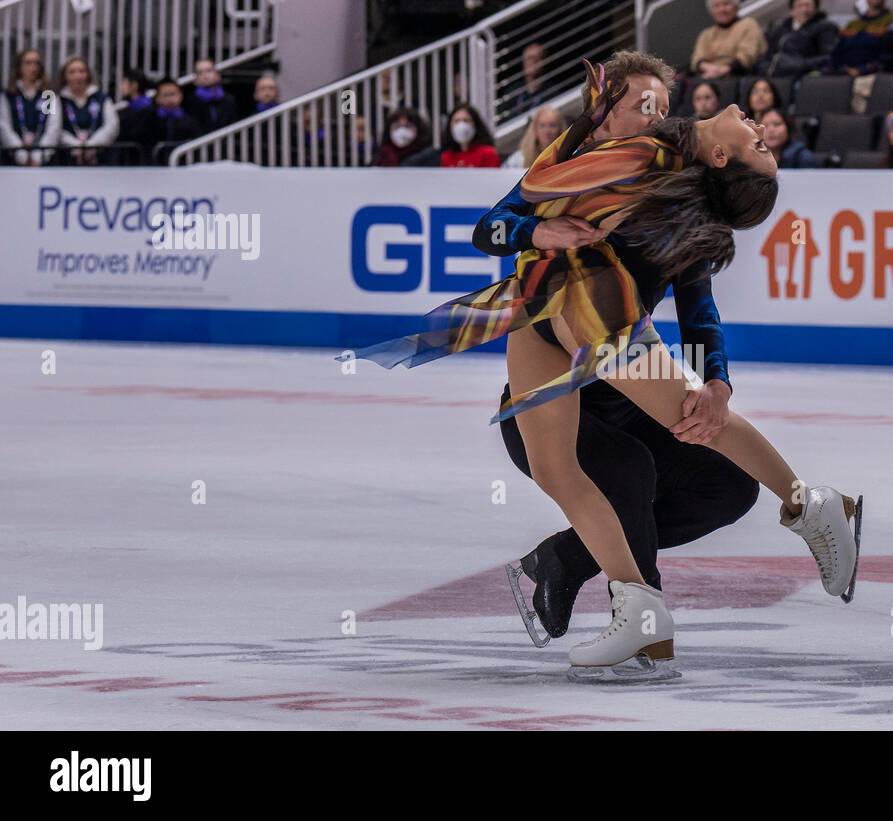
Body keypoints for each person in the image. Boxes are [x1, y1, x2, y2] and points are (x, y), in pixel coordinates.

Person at [348, 59, 864, 678]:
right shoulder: (648, 146)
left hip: (593, 305)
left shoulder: (666, 177)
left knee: (689, 417)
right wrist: (539, 233)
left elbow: (695, 306)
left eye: (757, 143)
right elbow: (503, 219)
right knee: (555, 468)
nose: (758, 127)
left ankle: (812, 505)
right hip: (538, 306)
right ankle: (640, 611)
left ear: (723, 160)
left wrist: (719, 380)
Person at [1, 49, 61, 167]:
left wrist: (39, 156)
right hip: (12, 161)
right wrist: (21, 155)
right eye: (28, 63)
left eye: (36, 63)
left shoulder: (48, 95)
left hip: (43, 160)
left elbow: (53, 129)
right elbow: (4, 127)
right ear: (19, 67)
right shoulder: (9, 95)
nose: (33, 67)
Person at [57, 57, 118, 165]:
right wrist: (76, 145)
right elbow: (54, 127)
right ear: (65, 76)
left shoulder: (101, 98)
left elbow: (112, 126)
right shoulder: (56, 99)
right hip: (66, 160)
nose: (77, 76)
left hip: (100, 158)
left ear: (88, 74)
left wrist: (91, 145)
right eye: (72, 72)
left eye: (81, 71)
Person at [757, 0, 839, 77]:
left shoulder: (825, 27)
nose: (804, 10)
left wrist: (801, 64)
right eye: (799, 5)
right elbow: (766, 54)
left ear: (816, 8)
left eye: (808, 5)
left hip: (805, 76)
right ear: (792, 10)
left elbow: (830, 56)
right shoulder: (779, 29)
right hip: (776, 75)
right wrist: (764, 67)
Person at [691, 0, 768, 78]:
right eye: (716, 6)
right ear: (711, 11)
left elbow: (746, 58)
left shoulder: (748, 25)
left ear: (736, 7)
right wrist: (710, 69)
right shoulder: (706, 34)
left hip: (741, 77)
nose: (721, 10)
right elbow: (697, 60)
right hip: (708, 78)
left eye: (726, 4)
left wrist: (720, 72)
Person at [140, 77, 202, 164]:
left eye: (173, 94)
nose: (169, 99)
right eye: (165, 95)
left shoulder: (190, 121)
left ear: (180, 95)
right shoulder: (149, 120)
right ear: (157, 98)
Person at [832, 0, 893, 77]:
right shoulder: (853, 24)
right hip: (845, 73)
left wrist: (864, 69)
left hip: (874, 74)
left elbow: (889, 54)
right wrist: (844, 69)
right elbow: (837, 52)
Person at [187, 57, 239, 133]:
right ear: (195, 79)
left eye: (209, 71)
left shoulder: (229, 99)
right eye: (200, 72)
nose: (205, 75)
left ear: (217, 74)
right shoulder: (190, 101)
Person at [117, 68, 153, 162]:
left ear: (134, 85)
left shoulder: (148, 110)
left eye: (124, 82)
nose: (121, 87)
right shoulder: (126, 108)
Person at [508, 43, 547, 117]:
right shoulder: (512, 92)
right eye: (529, 58)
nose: (533, 62)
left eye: (537, 58)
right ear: (523, 63)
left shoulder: (552, 92)